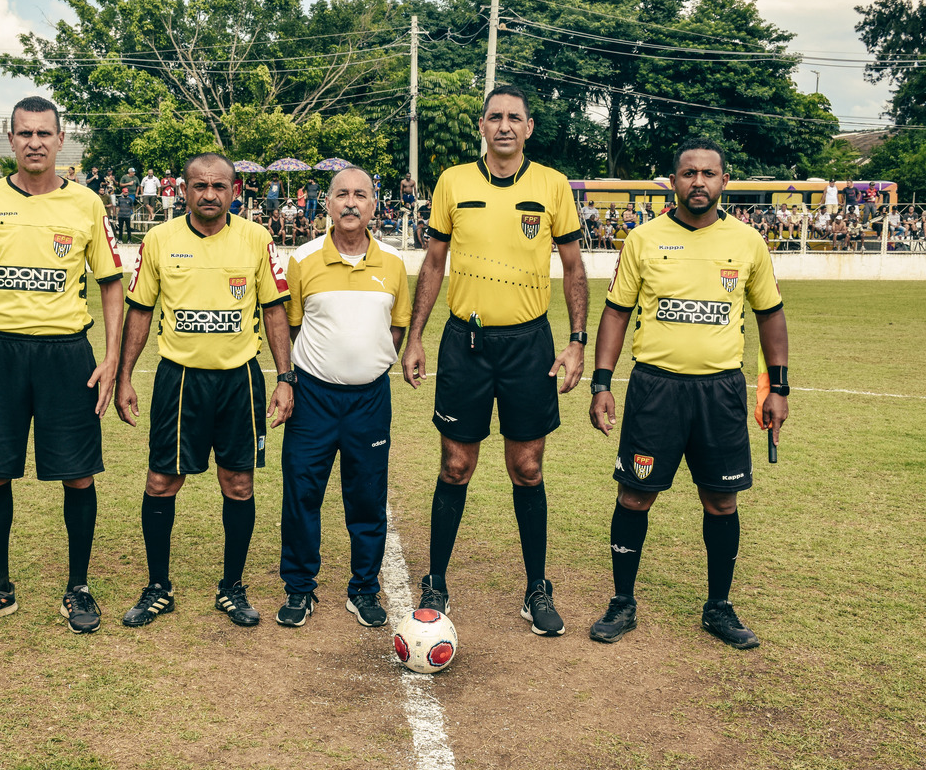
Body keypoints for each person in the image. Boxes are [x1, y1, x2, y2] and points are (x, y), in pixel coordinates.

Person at [0, 95, 125, 635]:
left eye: (44, 133)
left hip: (68, 356)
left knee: (78, 475)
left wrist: (111, 357)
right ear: (10, 141)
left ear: (61, 140)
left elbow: (112, 283)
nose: (34, 142)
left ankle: (78, 587)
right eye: (24, 133)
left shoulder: (87, 204)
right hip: (3, 353)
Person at [587, 137, 788, 650]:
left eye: (708, 173)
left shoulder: (747, 243)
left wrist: (777, 388)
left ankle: (718, 607)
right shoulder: (643, 239)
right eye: (688, 173)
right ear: (673, 181)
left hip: (720, 391)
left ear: (724, 181)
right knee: (635, 494)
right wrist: (603, 383)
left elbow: (770, 315)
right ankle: (622, 602)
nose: (698, 181)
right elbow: (615, 311)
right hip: (656, 388)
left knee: (721, 501)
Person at [401, 84, 588, 636]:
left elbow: (574, 268)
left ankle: (537, 588)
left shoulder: (553, 186)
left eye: (515, 118)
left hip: (529, 345)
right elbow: (433, 264)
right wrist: (416, 337)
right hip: (467, 344)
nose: (504, 125)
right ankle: (435, 582)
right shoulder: (453, 182)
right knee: (455, 466)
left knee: (526, 468)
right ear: (481, 126)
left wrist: (576, 340)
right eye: (494, 117)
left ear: (529, 128)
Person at [116, 151, 293, 629]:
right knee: (161, 482)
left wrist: (285, 377)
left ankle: (232, 587)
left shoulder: (257, 239)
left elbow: (275, 309)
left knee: (238, 484)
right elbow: (139, 310)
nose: (210, 194)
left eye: (219, 186)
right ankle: (158, 587)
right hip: (179, 380)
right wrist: (125, 376)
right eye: (200, 186)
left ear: (235, 191)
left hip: (240, 380)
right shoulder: (159, 239)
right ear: (183, 190)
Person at [276, 166, 411, 628]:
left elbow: (398, 327)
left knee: (367, 498)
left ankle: (364, 589)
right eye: (342, 195)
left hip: (370, 401)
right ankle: (299, 589)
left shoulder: (393, 262)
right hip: (312, 398)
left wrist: (367, 363)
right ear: (326, 203)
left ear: (375, 205)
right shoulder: (304, 258)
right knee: (301, 494)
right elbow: (291, 326)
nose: (351, 203)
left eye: (361, 195)